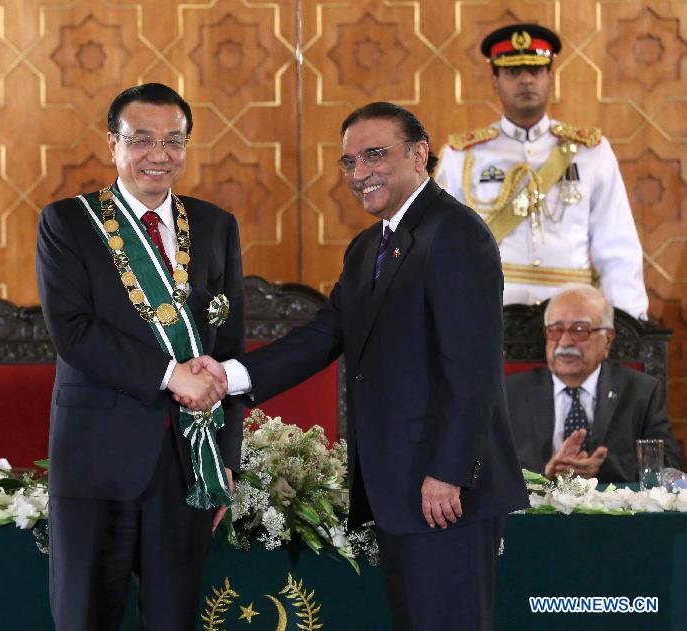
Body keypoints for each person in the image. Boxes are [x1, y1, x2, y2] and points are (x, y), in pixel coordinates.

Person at [186, 102, 528, 631]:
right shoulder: (369, 246)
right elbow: (328, 334)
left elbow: (473, 371)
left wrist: (447, 472)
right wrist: (230, 376)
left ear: (419, 154)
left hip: (444, 492)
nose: (360, 173)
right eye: (349, 162)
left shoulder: (455, 235)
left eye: (374, 155)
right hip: (400, 490)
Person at [36, 83, 245, 630]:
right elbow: (74, 334)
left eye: (174, 141)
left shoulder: (216, 226)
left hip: (186, 461)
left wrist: (225, 456)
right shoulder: (67, 223)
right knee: (85, 617)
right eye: (143, 140)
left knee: (174, 618)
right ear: (113, 144)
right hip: (94, 459)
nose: (160, 154)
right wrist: (171, 373)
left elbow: (229, 349)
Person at [435, 23, 648, 319]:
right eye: (512, 72)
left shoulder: (591, 152)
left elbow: (617, 248)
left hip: (575, 318)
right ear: (494, 80)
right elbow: (441, 249)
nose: (525, 80)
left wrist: (627, 322)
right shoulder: (463, 155)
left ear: (550, 77)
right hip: (488, 314)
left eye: (535, 70)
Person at [507, 283, 682, 482]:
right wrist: (546, 471)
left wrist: (602, 468)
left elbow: (670, 465)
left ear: (607, 339)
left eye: (580, 330)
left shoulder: (642, 391)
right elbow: (488, 463)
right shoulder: (511, 391)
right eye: (555, 330)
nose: (565, 342)